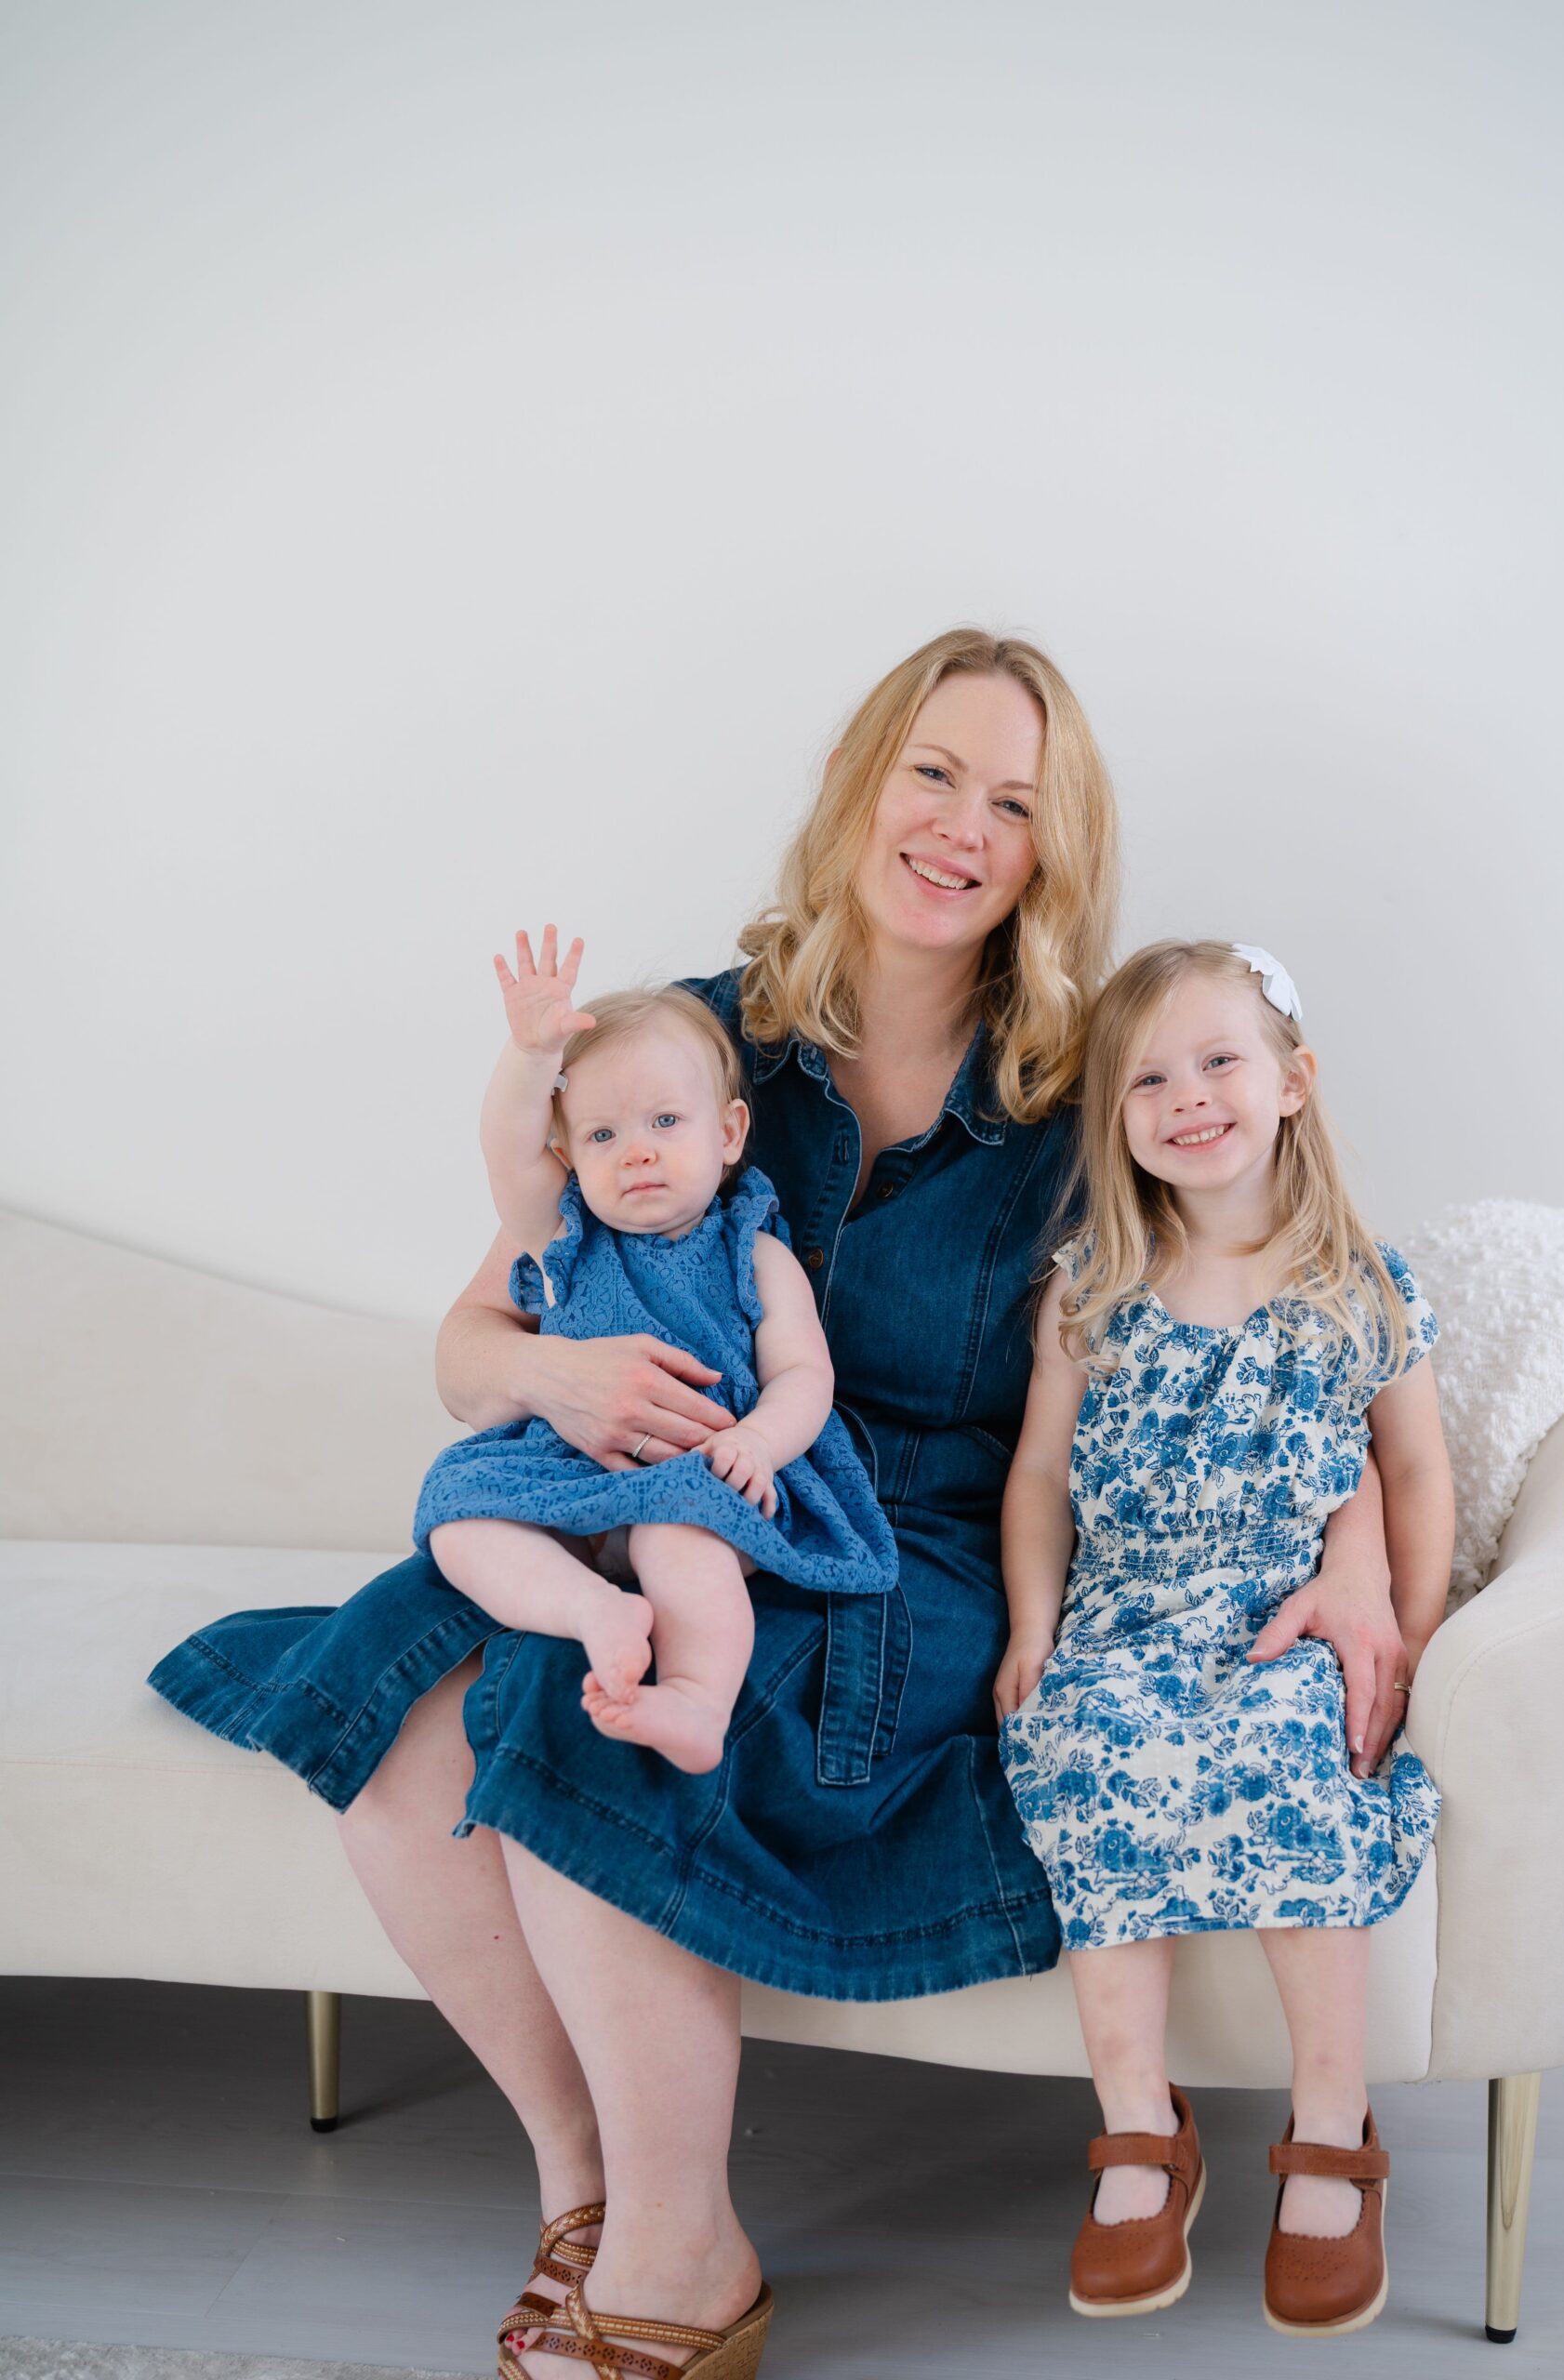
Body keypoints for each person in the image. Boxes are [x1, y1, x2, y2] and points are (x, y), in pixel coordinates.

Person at [147, 635, 1411, 2378]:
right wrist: (552, 1377)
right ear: (862, 784)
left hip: (913, 1545)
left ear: (1053, 851)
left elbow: (1285, 1310)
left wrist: (1359, 1556)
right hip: (640, 1484)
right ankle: (588, 2196)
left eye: (1015, 803)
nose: (963, 826)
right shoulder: (692, 1037)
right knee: (396, 1730)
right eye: (934, 773)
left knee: (568, 1710)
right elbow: (472, 1337)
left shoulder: (1080, 1080)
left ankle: (686, 2257)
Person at [997, 938, 1454, 2339]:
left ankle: (1329, 2119)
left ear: (1289, 1083)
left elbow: (1415, 1472)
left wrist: (1401, 1632)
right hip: (1129, 1607)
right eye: (1145, 1078)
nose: (1184, 1097)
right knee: (1081, 1744)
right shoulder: (1091, 1285)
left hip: (1284, 1617)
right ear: (1113, 1120)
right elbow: (1034, 1476)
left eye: (1216, 1061)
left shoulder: (1352, 1286)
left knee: (1284, 1749)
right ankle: (1138, 2124)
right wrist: (1033, 1627)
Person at [414, 953, 895, 1773]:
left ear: (729, 1133)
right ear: (566, 1153)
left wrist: (760, 1446)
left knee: (684, 1548)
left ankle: (698, 1699)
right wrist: (531, 1054)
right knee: (459, 1516)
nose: (635, 1152)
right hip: (569, 1469)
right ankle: (592, 1609)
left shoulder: (754, 1251)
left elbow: (803, 1377)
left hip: (697, 1472)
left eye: (664, 1123)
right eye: (602, 1135)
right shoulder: (564, 1236)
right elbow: (505, 1146)